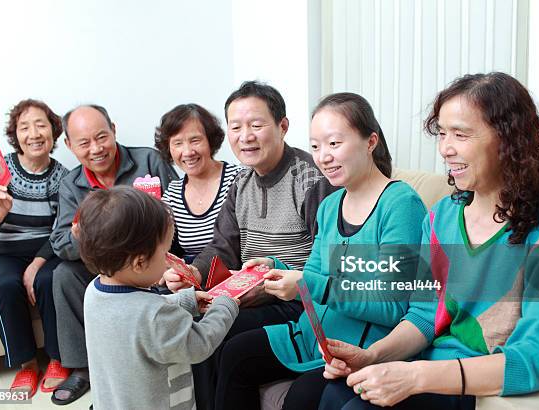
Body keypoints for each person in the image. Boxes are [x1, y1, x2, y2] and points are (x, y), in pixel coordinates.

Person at [318, 72, 539, 410]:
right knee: (332, 393)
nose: (445, 148)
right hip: (429, 368)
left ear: (509, 140)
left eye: (460, 134)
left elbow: (535, 360)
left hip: (475, 383)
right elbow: (426, 316)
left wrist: (415, 378)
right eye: (442, 134)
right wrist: (371, 356)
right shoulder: (440, 217)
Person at [214, 93, 427, 409]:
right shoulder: (330, 206)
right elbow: (314, 275)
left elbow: (392, 305)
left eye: (334, 144)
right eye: (315, 146)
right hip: (312, 336)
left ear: (370, 141)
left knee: (303, 395)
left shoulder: (400, 204)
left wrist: (306, 284)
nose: (323, 156)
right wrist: (275, 267)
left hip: (359, 348)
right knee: (234, 353)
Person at [163, 81, 338, 410]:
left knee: (215, 330)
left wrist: (274, 283)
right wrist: (193, 272)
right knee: (193, 318)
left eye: (256, 125)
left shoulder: (311, 179)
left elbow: (325, 261)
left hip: (295, 298)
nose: (246, 136)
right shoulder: (241, 182)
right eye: (236, 127)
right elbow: (222, 246)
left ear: (282, 126)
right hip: (249, 293)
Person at [49, 104, 178, 405]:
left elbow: (178, 211)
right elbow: (60, 243)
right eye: (84, 143)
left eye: (102, 137)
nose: (96, 148)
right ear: (70, 146)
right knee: (63, 274)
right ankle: (82, 368)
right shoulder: (70, 184)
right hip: (108, 269)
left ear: (114, 130)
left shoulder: (149, 160)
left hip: (151, 260)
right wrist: (82, 236)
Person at [79, 186, 239, 410]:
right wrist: (225, 304)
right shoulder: (154, 315)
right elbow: (198, 343)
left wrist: (185, 301)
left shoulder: (94, 291)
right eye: (164, 254)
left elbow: (133, 320)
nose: (168, 261)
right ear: (139, 263)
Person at [0, 99, 69, 397]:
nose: (34, 133)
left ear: (53, 133)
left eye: (41, 125)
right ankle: (26, 365)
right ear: (16, 134)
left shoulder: (64, 176)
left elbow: (60, 231)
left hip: (47, 252)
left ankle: (57, 359)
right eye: (25, 127)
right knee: (5, 285)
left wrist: (37, 263)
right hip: (5, 253)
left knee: (50, 280)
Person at [155, 103, 242, 263]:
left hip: (234, 275)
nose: (188, 152)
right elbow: (161, 247)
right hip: (192, 280)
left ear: (210, 140)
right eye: (178, 143)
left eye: (195, 140)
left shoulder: (237, 179)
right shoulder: (173, 193)